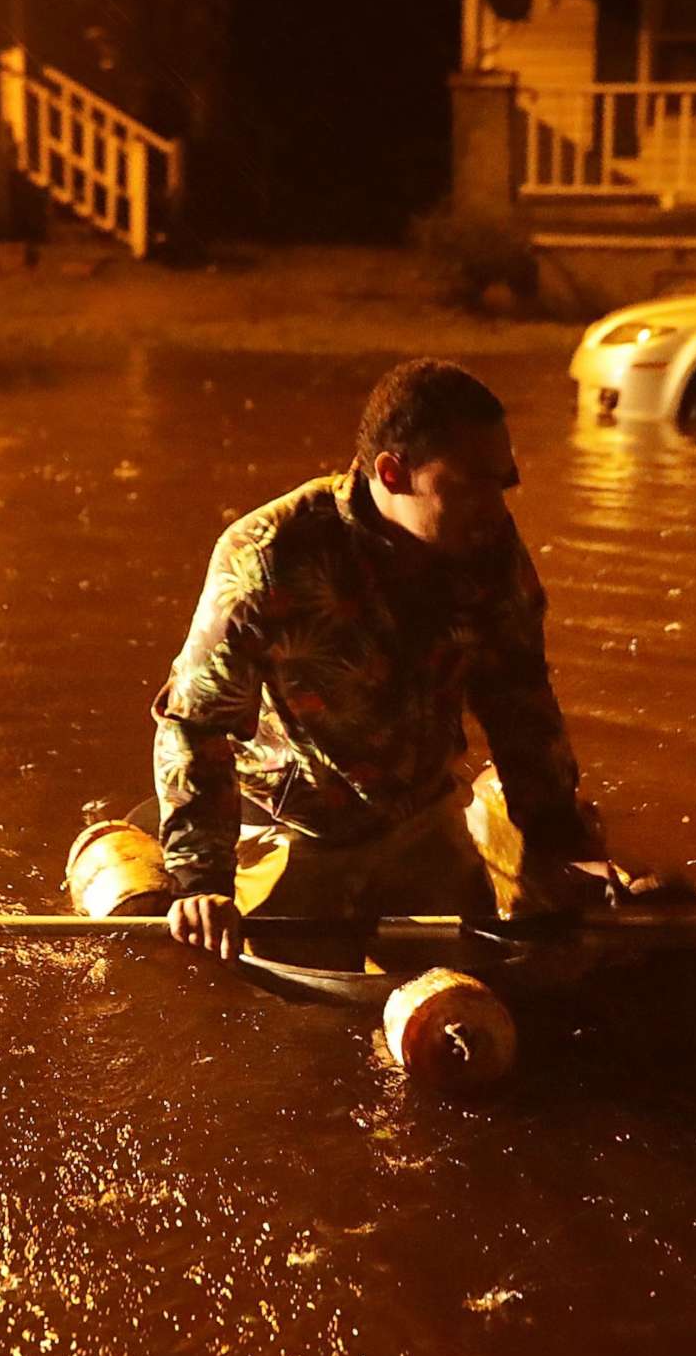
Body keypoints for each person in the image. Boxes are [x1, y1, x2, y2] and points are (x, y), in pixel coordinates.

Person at [150, 359, 610, 958]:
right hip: (297, 829)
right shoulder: (267, 556)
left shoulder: (488, 548)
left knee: (488, 978)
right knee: (292, 1010)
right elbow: (197, 723)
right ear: (393, 474)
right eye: (471, 486)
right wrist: (201, 882)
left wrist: (559, 843)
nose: (494, 510)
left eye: (503, 484)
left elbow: (520, 700)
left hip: (421, 817)